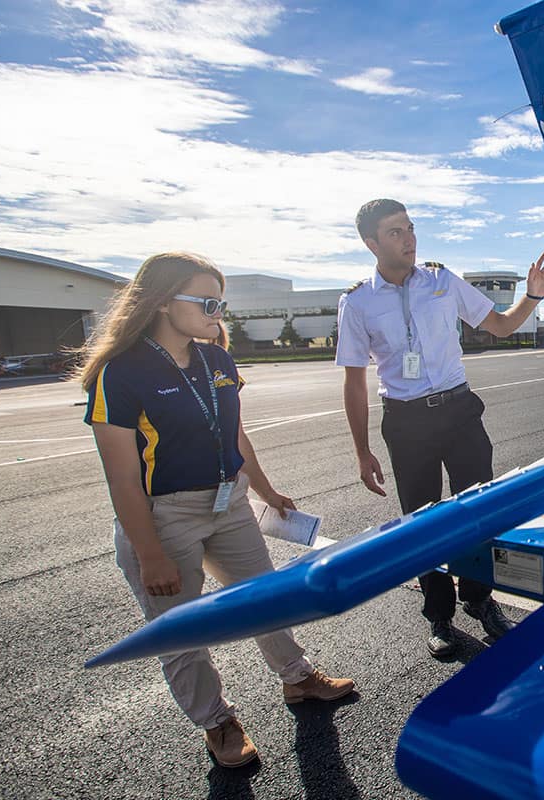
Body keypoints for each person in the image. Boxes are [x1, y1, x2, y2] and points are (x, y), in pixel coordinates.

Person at [78, 252, 355, 769]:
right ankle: (217, 721)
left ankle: (298, 679)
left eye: (221, 303)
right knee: (182, 632)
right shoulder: (119, 373)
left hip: (230, 503)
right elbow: (120, 477)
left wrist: (268, 493)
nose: (217, 313)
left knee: (267, 600)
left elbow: (235, 434)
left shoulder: (218, 360)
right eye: (207, 302)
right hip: (163, 518)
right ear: (162, 302)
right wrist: (149, 552)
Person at [336, 198, 544, 658]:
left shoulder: (441, 280)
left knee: (480, 510)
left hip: (459, 412)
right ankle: (439, 615)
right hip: (406, 419)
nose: (409, 238)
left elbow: (499, 326)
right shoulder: (356, 301)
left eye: (410, 228)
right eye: (396, 232)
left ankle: (480, 600)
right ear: (371, 242)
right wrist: (362, 451)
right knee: (423, 520)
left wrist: (533, 295)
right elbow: (354, 381)